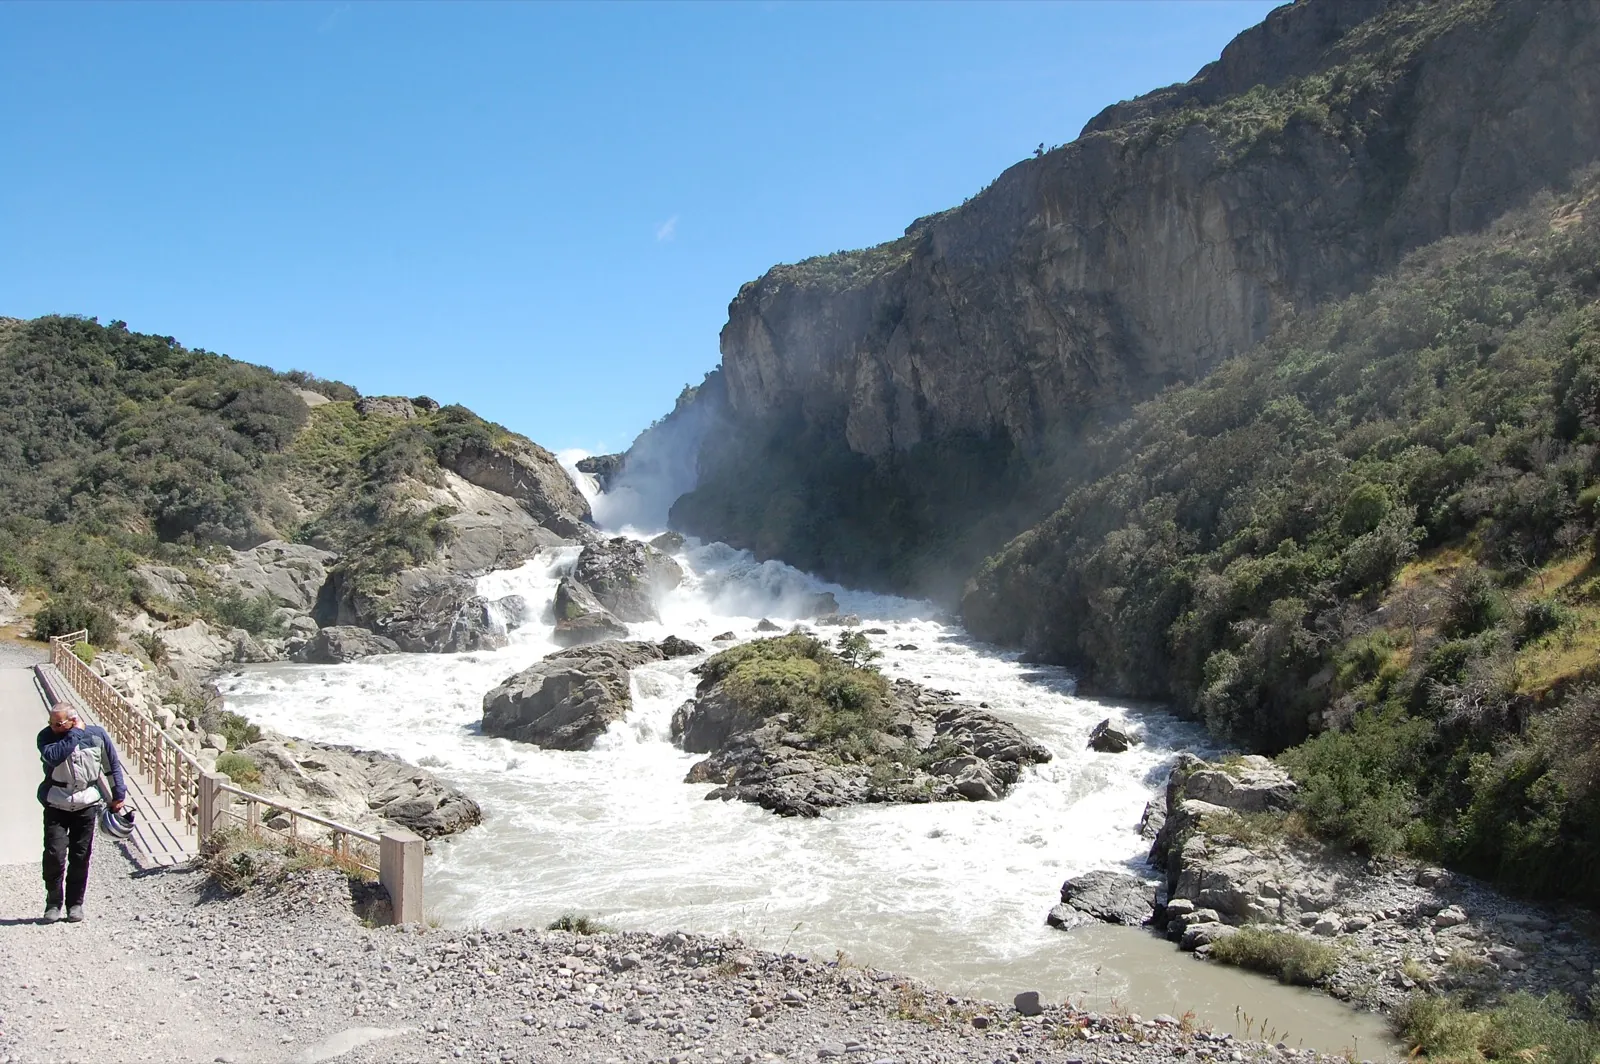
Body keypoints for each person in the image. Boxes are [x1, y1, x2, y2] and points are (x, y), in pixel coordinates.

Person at [36, 702, 126, 923]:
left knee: (80, 856)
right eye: (52, 723)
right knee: (54, 855)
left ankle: (75, 904)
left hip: (86, 805)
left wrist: (118, 794)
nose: (54, 727)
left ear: (72, 719)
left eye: (58, 724)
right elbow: (54, 756)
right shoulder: (46, 737)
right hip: (56, 804)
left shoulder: (96, 735)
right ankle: (53, 902)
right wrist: (74, 733)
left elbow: (111, 765)